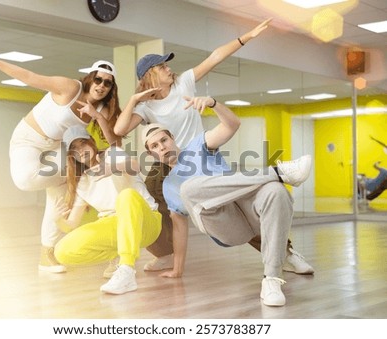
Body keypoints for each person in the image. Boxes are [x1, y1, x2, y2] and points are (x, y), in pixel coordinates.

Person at [113, 18, 314, 275]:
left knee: (236, 204)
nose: (168, 69)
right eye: (162, 66)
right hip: (169, 160)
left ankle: (284, 253)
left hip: (199, 154)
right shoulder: (146, 106)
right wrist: (133, 100)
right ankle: (166, 253)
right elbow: (120, 130)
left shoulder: (183, 83)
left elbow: (215, 57)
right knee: (147, 195)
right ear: (151, 75)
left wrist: (247, 37)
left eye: (167, 65)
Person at [142, 96, 312, 306]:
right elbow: (179, 228)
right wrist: (177, 269)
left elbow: (232, 125)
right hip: (225, 226)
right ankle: (279, 172)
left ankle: (271, 279)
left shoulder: (199, 144)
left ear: (173, 138)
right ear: (151, 154)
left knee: (275, 191)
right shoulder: (168, 186)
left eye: (164, 140)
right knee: (189, 188)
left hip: (248, 207)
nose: (162, 147)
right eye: (155, 146)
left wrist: (213, 104)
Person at [0, 40, 121, 273]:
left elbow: (115, 141)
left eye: (108, 83)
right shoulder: (69, 88)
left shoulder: (103, 109)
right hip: (27, 140)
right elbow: (29, 76)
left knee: (60, 193)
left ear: (111, 88)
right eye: (98, 79)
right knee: (25, 180)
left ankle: (47, 254)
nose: (102, 85)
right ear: (91, 78)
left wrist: (97, 116)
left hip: (56, 146)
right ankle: (72, 182)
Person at [53, 125, 162, 294]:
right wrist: (58, 219)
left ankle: (126, 269)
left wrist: (112, 167)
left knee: (126, 196)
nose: (80, 151)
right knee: (62, 251)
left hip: (146, 222)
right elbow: (72, 224)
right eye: (74, 149)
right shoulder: (83, 182)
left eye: (83, 144)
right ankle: (117, 255)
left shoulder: (112, 154)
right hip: (114, 225)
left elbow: (135, 166)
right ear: (71, 156)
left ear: (91, 142)